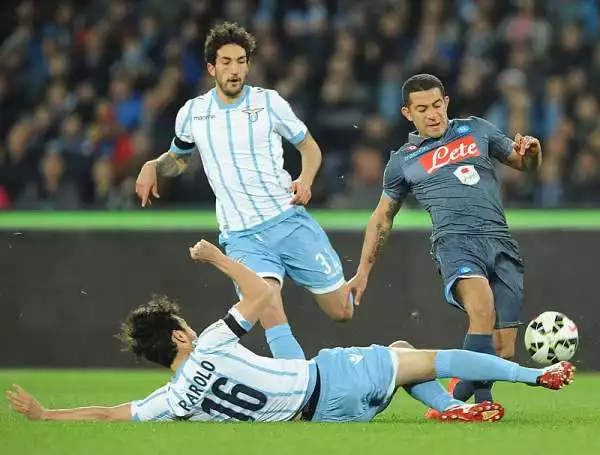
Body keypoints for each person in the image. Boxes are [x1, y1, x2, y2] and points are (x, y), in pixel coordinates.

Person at [7, 240, 574, 423]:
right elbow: (261, 295)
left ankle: (451, 413)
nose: (188, 327)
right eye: (182, 324)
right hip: (329, 378)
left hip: (321, 416)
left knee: (401, 353)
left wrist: (47, 416)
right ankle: (534, 373)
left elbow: (112, 413)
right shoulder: (208, 343)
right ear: (180, 338)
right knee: (442, 355)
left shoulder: (173, 400)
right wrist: (218, 259)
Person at [135, 22, 353, 362]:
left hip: (288, 219)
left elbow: (310, 148)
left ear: (248, 65)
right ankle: (300, 397)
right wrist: (153, 165)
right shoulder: (192, 113)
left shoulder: (270, 103)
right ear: (212, 68)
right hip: (242, 236)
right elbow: (178, 160)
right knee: (268, 308)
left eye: (240, 61)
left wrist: (306, 178)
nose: (234, 69)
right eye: (226, 62)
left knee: (342, 311)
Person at [347, 74, 543, 413]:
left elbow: (522, 162)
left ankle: (452, 398)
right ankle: (482, 406)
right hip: (455, 243)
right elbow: (382, 218)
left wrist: (533, 154)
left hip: (499, 240)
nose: (433, 114)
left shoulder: (477, 130)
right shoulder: (403, 161)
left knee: (503, 350)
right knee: (481, 309)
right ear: (408, 113)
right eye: (422, 109)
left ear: (446, 103)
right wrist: (363, 271)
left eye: (437, 105)